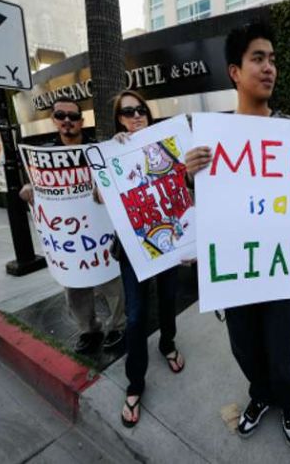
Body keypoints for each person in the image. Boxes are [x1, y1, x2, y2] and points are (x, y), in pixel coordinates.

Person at [184, 21, 290, 448]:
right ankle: (260, 395)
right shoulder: (213, 140)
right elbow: (206, 209)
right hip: (236, 271)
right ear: (235, 71)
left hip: (279, 268)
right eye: (258, 58)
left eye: (272, 60)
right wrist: (191, 175)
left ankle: (288, 401)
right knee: (245, 349)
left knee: (283, 349)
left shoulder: (289, 133)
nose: (269, 68)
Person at [19, 96, 126, 355]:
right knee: (75, 288)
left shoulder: (99, 149)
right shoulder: (42, 154)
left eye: (73, 116)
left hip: (100, 234)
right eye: (61, 116)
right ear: (53, 120)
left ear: (82, 121)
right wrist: (29, 188)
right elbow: (36, 186)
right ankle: (90, 330)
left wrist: (122, 144)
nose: (68, 121)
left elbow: (118, 175)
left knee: (114, 283)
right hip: (69, 241)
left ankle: (118, 326)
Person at [106, 90, 187, 429]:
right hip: (133, 248)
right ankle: (135, 383)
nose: (136, 115)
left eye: (141, 110)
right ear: (118, 118)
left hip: (167, 240)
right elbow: (100, 194)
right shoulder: (111, 150)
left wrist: (189, 241)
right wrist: (113, 151)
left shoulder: (166, 144)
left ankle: (167, 342)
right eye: (128, 111)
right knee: (137, 315)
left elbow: (184, 184)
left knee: (168, 299)